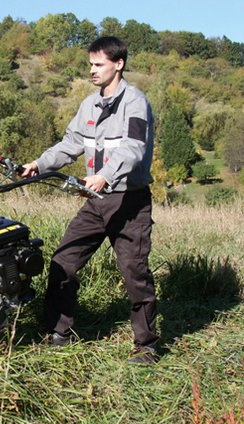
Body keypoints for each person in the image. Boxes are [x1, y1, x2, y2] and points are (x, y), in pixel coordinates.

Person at [21, 36, 158, 364]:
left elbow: (133, 149)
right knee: (63, 261)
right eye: (90, 64)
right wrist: (39, 164)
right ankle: (60, 332)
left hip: (129, 201)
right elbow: (69, 144)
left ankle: (147, 345)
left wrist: (106, 175)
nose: (92, 71)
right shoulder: (89, 106)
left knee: (134, 273)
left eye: (99, 64)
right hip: (96, 201)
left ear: (118, 64)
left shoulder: (135, 103)